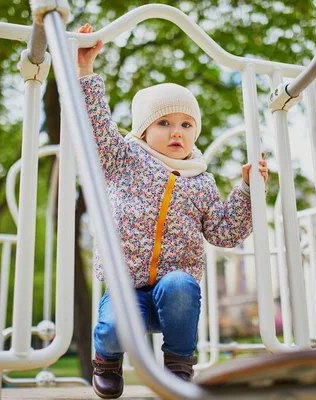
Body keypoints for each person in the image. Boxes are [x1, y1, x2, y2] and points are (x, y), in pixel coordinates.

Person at [76, 24, 269, 399]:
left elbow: (224, 231)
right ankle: (106, 360)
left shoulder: (200, 181)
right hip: (125, 284)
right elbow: (96, 128)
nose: (175, 131)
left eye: (185, 124)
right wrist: (85, 72)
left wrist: (247, 190)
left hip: (172, 292)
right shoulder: (123, 159)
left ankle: (179, 364)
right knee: (114, 323)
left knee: (181, 284)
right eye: (163, 123)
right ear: (144, 130)